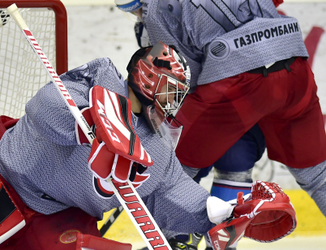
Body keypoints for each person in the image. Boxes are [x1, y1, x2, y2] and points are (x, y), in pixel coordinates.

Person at [0, 42, 296, 250]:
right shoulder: (94, 82)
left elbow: (173, 195)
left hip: (58, 215)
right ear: (145, 76)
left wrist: (222, 214)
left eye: (178, 94)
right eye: (170, 90)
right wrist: (96, 124)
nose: (174, 102)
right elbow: (45, 108)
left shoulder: (157, 148)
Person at [115, 0, 326, 250]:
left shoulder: (157, 8)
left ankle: (178, 240)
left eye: (134, 9)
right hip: (294, 66)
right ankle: (220, 243)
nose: (137, 15)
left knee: (172, 163)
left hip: (241, 80)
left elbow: (179, 73)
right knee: (316, 174)